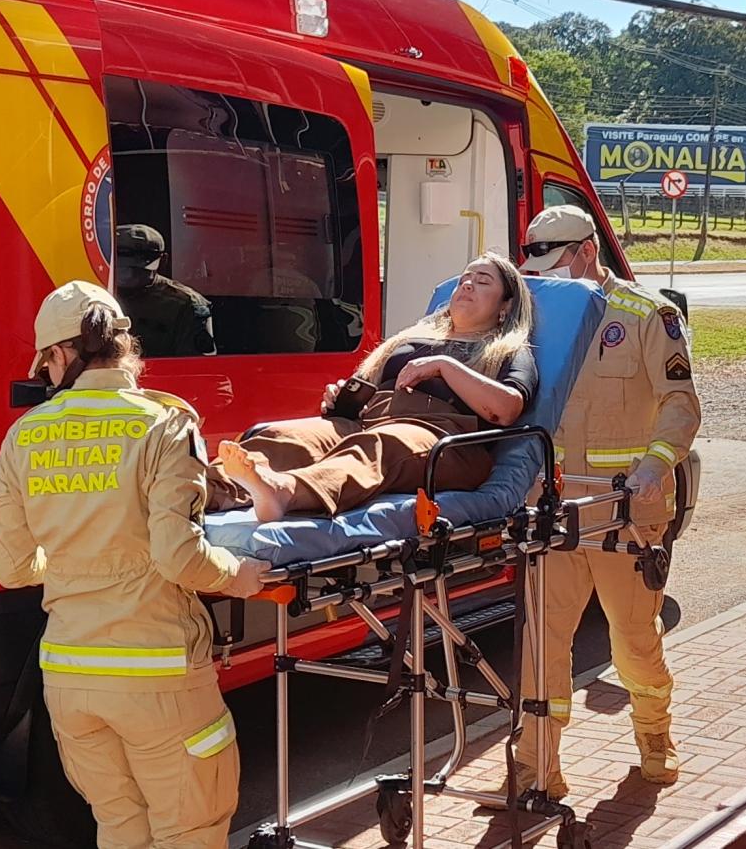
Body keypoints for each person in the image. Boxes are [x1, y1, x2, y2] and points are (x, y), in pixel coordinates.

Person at [0, 280, 268, 849]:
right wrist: (238, 576)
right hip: (158, 671)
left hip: (68, 678)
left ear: (60, 355)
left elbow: (13, 567)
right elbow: (179, 556)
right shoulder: (164, 424)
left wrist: (80, 560)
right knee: (189, 830)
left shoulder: (24, 434)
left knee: (119, 826)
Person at [512, 204, 699, 798]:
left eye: (553, 260)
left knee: (633, 640)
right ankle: (537, 764)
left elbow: (679, 402)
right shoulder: (537, 320)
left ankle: (654, 737)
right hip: (555, 510)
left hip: (625, 513)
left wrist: (655, 464)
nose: (542, 276)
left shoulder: (647, 316)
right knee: (542, 639)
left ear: (586, 252)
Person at [207, 251, 537, 522]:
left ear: (505, 306)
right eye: (465, 278)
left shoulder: (507, 350)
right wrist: (342, 395)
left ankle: (286, 491)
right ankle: (207, 490)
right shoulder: (412, 338)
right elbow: (366, 387)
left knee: (380, 445)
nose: (467, 285)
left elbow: (505, 410)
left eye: (482, 281)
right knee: (284, 436)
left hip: (445, 439)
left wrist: (445, 367)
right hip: (370, 420)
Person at [115, 224, 218, 358]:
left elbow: (197, 368)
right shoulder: (95, 295)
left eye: (139, 270)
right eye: (124, 269)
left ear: (163, 261)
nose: (130, 275)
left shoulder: (187, 305)